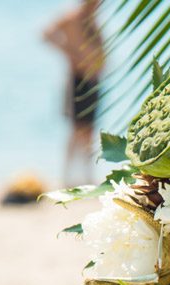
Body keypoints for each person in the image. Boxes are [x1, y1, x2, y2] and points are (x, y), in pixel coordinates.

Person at [43, 0, 105, 186]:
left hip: (92, 79)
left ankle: (86, 175)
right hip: (79, 78)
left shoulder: (91, 19)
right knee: (76, 128)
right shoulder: (73, 17)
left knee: (89, 129)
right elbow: (47, 34)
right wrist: (71, 53)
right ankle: (67, 176)